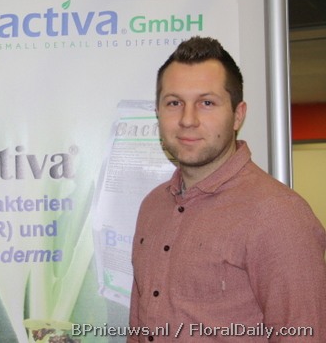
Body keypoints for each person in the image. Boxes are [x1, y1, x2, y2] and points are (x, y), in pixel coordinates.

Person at [128, 37, 326, 342]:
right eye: (174, 103)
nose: (188, 120)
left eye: (207, 103)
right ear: (158, 112)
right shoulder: (152, 206)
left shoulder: (278, 214)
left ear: (238, 115)